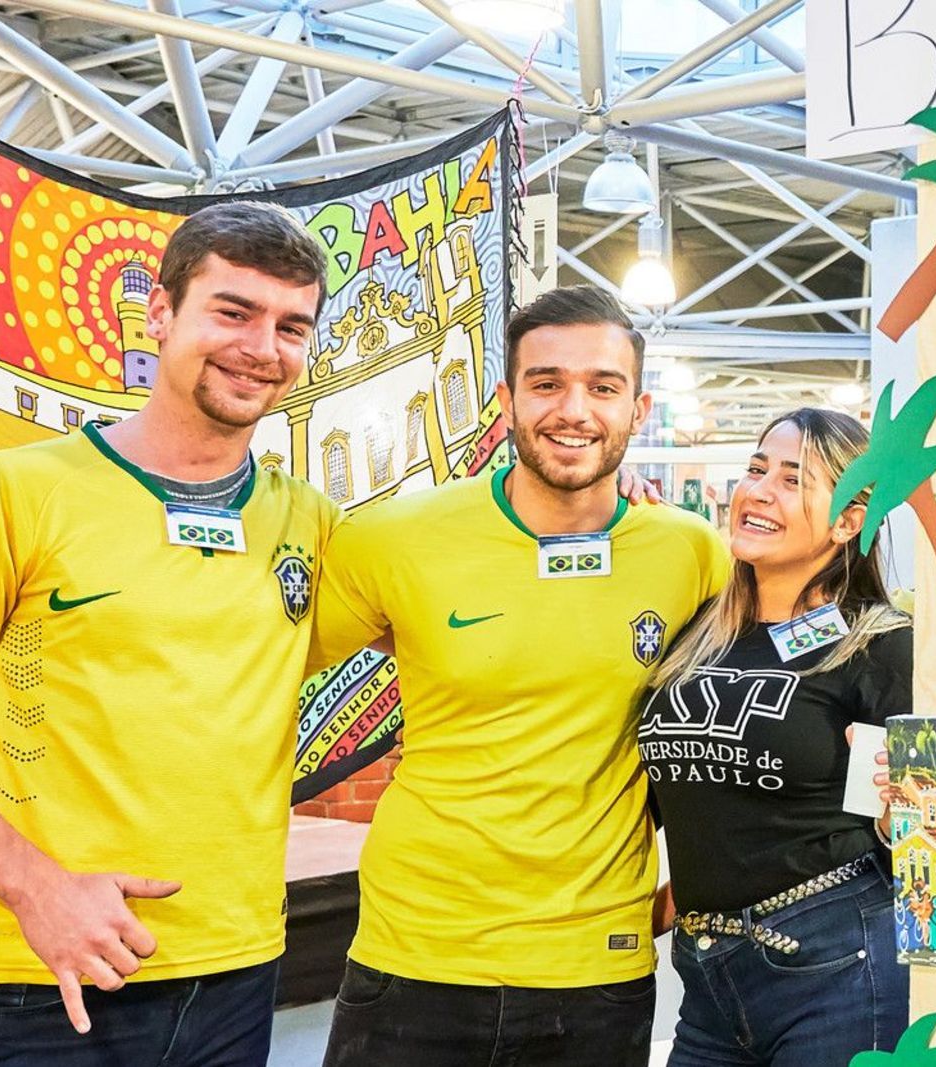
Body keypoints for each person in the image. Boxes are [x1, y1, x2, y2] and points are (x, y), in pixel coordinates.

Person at [0, 201, 336, 1064]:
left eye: (292, 325)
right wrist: (38, 889)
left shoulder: (312, 524)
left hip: (240, 971)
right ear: (160, 315)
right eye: (232, 311)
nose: (263, 346)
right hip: (40, 978)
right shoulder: (11, 490)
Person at [306, 284, 730, 1066]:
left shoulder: (692, 552)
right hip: (417, 951)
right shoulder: (396, 539)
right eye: (546, 383)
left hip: (596, 961)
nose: (575, 408)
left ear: (638, 409)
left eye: (603, 387)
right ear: (505, 401)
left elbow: (745, 718)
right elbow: (253, 662)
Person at [642, 407, 913, 1066]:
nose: (758, 490)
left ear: (849, 519)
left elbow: (925, 843)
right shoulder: (698, 633)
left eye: (793, 480)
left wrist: (892, 815)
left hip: (838, 961)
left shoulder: (881, 644)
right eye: (756, 469)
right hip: (706, 972)